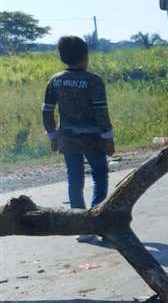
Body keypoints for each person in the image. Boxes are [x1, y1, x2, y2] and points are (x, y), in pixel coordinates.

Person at [42, 36, 114, 243]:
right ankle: (98, 222)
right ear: (85, 56)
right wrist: (108, 138)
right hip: (93, 139)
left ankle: (81, 227)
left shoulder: (55, 80)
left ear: (62, 57)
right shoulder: (93, 81)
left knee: (74, 179)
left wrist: (52, 134)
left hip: (67, 138)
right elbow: (101, 113)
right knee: (100, 176)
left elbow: (47, 111)